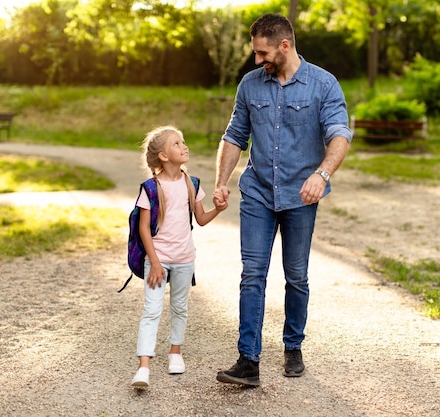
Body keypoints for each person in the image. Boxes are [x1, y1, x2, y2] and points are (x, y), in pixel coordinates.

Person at [213, 13, 352, 386]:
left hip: (300, 196)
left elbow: (340, 134)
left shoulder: (323, 84)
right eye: (255, 53)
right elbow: (234, 136)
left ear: (284, 46)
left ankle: (293, 346)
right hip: (257, 192)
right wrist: (221, 181)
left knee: (297, 277)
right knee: (252, 274)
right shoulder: (250, 85)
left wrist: (321, 175)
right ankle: (248, 360)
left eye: (263, 53)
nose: (257, 60)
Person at [131, 126, 226, 388]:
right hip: (158, 260)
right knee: (151, 310)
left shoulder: (191, 183)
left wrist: (217, 209)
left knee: (180, 307)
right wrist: (155, 263)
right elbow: (143, 228)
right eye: (176, 144)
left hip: (185, 258)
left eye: (183, 142)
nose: (184, 146)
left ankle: (175, 352)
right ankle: (143, 367)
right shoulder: (151, 187)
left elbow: (202, 219)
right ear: (162, 155)